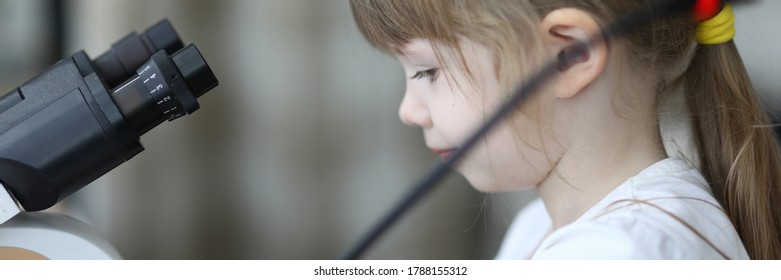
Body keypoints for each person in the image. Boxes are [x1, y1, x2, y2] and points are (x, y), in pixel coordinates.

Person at [349, 0, 781, 259]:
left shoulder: (621, 255)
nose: (409, 111)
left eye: (427, 70)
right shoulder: (540, 227)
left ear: (570, 55)